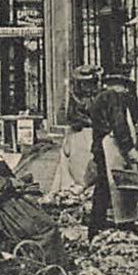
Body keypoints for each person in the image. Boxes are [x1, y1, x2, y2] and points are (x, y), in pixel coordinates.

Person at [0, 113, 63, 263]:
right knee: (44, 227)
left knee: (40, 218)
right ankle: (44, 264)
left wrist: (16, 179)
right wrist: (11, 183)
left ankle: (42, 260)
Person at [89, 71, 138, 233]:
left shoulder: (101, 97)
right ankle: (121, 224)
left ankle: (97, 225)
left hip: (101, 147)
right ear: (118, 85)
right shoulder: (113, 97)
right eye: (124, 87)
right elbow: (119, 124)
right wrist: (129, 149)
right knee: (116, 185)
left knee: (103, 187)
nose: (126, 91)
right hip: (111, 148)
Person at [48, 66, 98, 197]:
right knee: (73, 160)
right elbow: (69, 116)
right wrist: (84, 120)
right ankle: (73, 186)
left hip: (94, 133)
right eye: (83, 82)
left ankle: (89, 186)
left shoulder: (99, 96)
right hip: (78, 133)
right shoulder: (74, 96)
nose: (86, 85)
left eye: (89, 82)